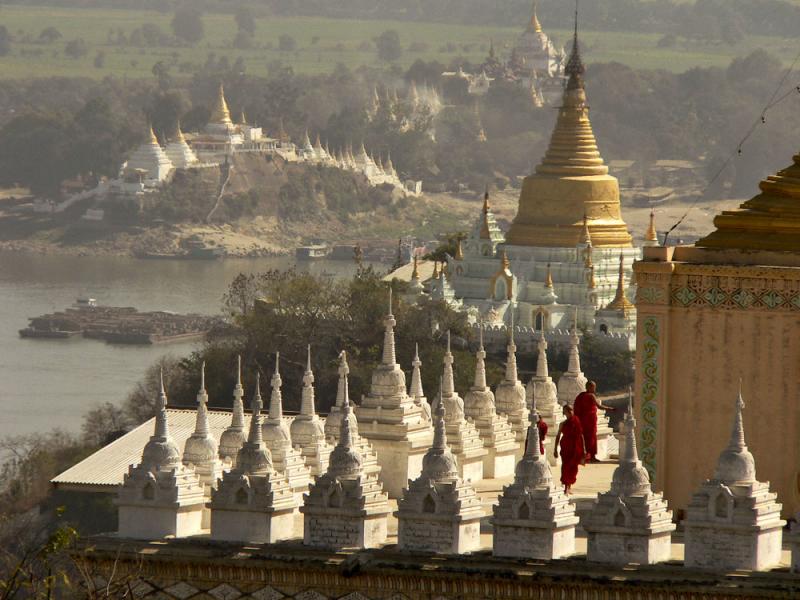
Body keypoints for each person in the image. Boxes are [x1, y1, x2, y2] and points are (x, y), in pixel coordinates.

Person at [573, 381, 615, 463]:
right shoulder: (590, 396)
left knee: (584, 438)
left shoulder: (580, 396)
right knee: (591, 439)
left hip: (583, 420)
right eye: (593, 387)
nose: (594, 388)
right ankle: (591, 456)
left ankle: (584, 457)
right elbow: (599, 406)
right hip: (589, 421)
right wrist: (610, 409)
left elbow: (576, 408)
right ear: (588, 387)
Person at [554, 404, 585, 494]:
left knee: (573, 467)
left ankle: (569, 486)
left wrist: (584, 449)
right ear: (565, 413)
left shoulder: (576, 421)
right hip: (566, 447)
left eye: (571, 410)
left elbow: (581, 435)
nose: (571, 412)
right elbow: (558, 436)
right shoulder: (563, 424)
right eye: (569, 410)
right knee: (565, 466)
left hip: (575, 447)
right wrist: (555, 449)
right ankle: (566, 486)